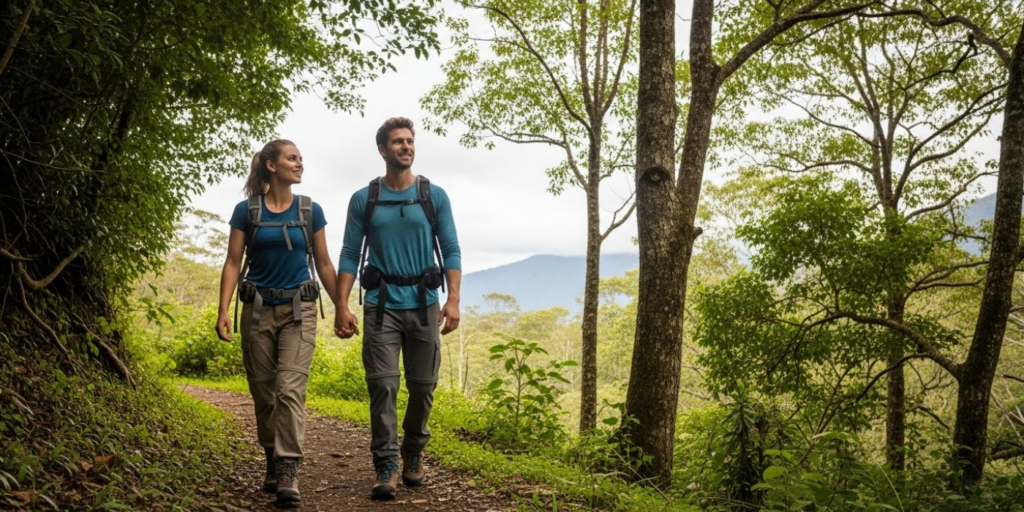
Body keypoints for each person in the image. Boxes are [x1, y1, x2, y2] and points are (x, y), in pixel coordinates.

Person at [334, 117, 462, 500]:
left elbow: (451, 249)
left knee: (423, 387)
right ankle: (386, 464)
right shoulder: (365, 199)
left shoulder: (434, 195)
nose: (406, 147)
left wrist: (453, 299)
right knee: (383, 386)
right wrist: (341, 304)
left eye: (409, 141)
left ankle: (413, 450)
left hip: (425, 305)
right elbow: (349, 254)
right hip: (380, 306)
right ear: (382, 150)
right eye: (397, 142)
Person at [216, 139, 339, 508]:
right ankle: (271, 455)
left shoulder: (310, 210)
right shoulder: (247, 211)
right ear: (271, 165)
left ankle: (288, 469)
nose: (299, 164)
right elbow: (233, 262)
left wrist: (342, 306)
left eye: (301, 159)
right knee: (264, 393)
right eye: (292, 158)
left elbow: (324, 263)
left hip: (299, 311)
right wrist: (223, 310)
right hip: (256, 310)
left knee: (289, 390)